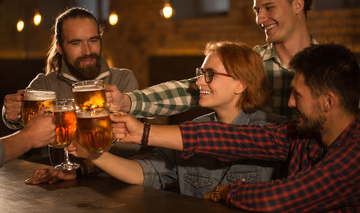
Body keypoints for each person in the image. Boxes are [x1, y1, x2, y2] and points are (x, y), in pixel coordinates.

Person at [109, 43, 360, 212]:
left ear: (327, 102)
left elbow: (278, 198)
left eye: (297, 95)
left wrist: (226, 191)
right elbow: (233, 139)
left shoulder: (354, 156)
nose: (290, 102)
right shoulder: (302, 135)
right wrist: (143, 133)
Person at [27, 41, 287, 194]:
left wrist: (143, 132)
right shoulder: (193, 127)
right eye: (200, 72)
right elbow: (145, 173)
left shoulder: (274, 131)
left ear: (241, 84)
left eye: (209, 74)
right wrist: (93, 154)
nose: (198, 81)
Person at [107, 0, 316, 121]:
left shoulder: (331, 67)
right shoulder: (253, 62)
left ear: (297, 5)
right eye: (257, 10)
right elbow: (188, 90)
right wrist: (127, 101)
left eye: (269, 8)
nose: (260, 18)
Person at [2, 7, 139, 173]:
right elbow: (23, 121)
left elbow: (132, 146)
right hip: (63, 184)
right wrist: (11, 113)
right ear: (60, 47)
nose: (87, 51)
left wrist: (85, 167)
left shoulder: (123, 79)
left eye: (93, 40)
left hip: (120, 183)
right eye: (76, 43)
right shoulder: (47, 83)